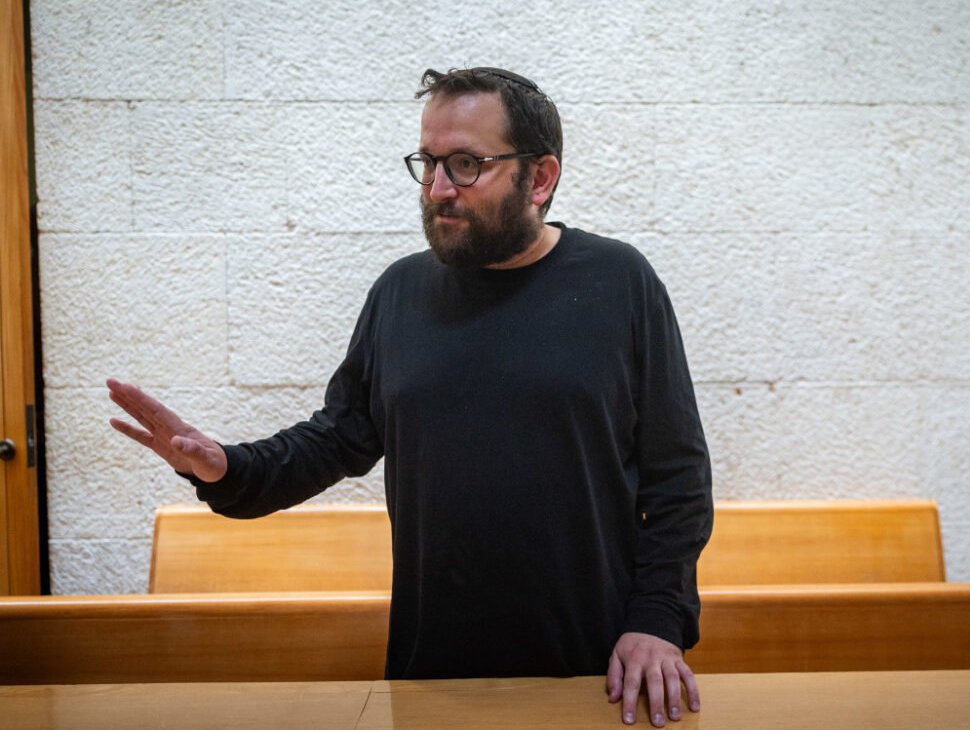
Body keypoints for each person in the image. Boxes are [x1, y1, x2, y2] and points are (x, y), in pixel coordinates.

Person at [108, 67, 713, 727]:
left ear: (539, 178)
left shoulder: (620, 283)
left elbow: (677, 477)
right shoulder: (399, 292)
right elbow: (338, 437)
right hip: (433, 672)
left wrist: (658, 618)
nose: (438, 188)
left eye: (466, 164)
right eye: (428, 163)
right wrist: (229, 468)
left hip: (599, 675)